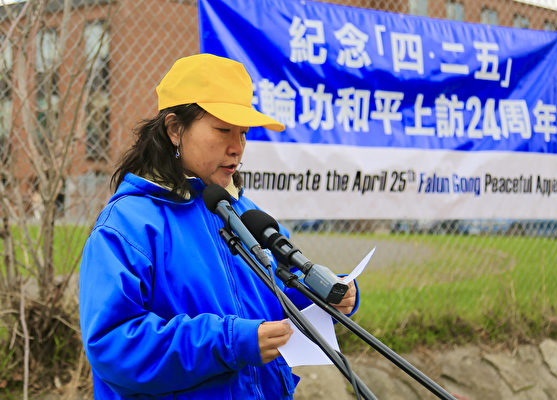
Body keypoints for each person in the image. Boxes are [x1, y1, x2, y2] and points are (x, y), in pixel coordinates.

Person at [78, 54, 358, 399]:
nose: (237, 148)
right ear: (175, 129)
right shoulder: (128, 225)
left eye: (243, 133)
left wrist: (324, 293)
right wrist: (231, 342)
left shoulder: (243, 211)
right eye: (223, 130)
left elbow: (270, 297)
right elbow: (112, 344)